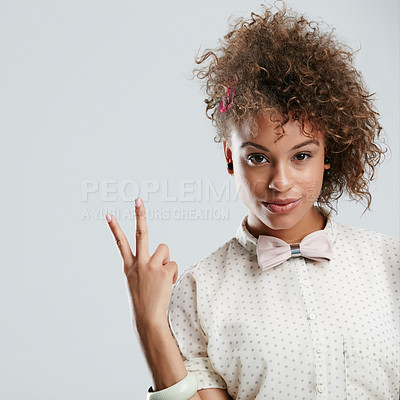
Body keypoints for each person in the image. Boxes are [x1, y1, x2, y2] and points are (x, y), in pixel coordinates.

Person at [105, 4, 400, 400]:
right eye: (258, 158)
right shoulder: (200, 290)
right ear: (230, 157)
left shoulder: (389, 262)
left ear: (328, 153)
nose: (280, 182)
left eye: (301, 156)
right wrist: (148, 321)